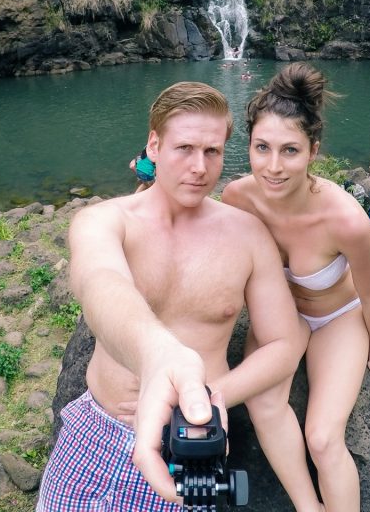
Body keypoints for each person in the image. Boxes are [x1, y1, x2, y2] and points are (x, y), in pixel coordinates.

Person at [37, 82, 303, 512]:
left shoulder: (248, 235)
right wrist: (160, 356)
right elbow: (100, 280)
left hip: (192, 443)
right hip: (99, 428)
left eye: (213, 151)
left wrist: (211, 395)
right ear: (154, 145)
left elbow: (283, 344)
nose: (200, 167)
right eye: (184, 148)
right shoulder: (104, 221)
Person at [223, 63, 370, 512]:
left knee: (324, 438)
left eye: (289, 150)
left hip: (336, 318)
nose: (272, 166)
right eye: (261, 147)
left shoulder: (345, 219)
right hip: (279, 316)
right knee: (263, 406)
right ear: (247, 145)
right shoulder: (237, 197)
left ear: (313, 151)